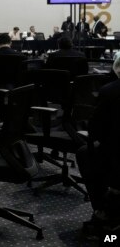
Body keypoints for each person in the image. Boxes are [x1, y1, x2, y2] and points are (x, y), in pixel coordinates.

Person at [77, 57, 120, 237]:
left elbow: (95, 129)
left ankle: (104, 211)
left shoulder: (109, 91)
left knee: (85, 153)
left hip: (116, 156)